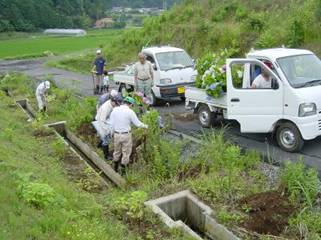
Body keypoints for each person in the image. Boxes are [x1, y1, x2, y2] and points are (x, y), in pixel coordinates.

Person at [110, 96, 148, 174]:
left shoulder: (115, 110)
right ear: (130, 104)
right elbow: (137, 124)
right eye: (132, 105)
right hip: (126, 135)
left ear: (124, 102)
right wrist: (146, 126)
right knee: (126, 153)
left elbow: (111, 124)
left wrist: (112, 134)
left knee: (116, 152)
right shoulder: (130, 112)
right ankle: (123, 173)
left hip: (116, 134)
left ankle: (115, 169)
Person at [92, 95, 121, 160]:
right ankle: (106, 156)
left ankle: (99, 146)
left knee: (103, 136)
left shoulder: (111, 104)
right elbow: (102, 120)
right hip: (99, 121)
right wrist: (106, 130)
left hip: (104, 120)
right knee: (106, 138)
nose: (116, 105)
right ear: (112, 101)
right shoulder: (106, 108)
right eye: (116, 104)